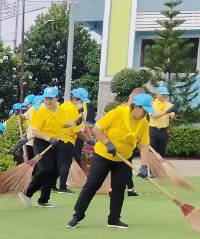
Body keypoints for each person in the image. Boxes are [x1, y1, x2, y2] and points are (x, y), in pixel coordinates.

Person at [66, 92, 154, 231]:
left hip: (123, 158)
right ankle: (77, 215)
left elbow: (144, 145)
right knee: (92, 184)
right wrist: (108, 143)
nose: (145, 114)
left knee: (118, 189)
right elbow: (97, 129)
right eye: (144, 111)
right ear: (136, 107)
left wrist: (144, 166)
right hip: (103, 155)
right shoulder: (117, 113)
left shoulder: (143, 122)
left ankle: (114, 219)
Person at [20, 87, 63, 207]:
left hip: (54, 143)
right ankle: (27, 193)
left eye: (50, 99)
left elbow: (63, 123)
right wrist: (49, 139)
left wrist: (74, 122)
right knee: (45, 169)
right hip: (41, 142)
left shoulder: (60, 109)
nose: (48, 101)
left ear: (56, 98)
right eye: (46, 99)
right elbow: (35, 131)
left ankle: (44, 199)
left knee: (55, 171)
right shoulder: (41, 111)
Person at [53, 89, 86, 193]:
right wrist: (88, 140)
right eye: (82, 102)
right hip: (67, 139)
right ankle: (62, 187)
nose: (82, 104)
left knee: (58, 163)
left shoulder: (65, 105)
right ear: (76, 100)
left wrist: (79, 117)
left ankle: (52, 185)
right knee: (65, 164)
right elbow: (76, 131)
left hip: (57, 138)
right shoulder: (72, 109)